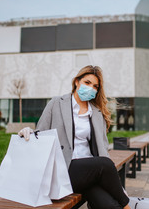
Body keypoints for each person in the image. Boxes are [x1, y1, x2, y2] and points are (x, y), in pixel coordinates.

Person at [18, 65, 130, 209]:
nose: (91, 88)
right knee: (105, 165)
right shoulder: (57, 103)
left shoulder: (96, 112)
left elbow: (102, 149)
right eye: (87, 83)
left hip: (90, 173)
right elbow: (41, 134)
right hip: (64, 170)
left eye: (95, 86)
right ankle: (128, 206)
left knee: (108, 205)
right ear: (77, 82)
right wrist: (28, 133)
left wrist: (114, 187)